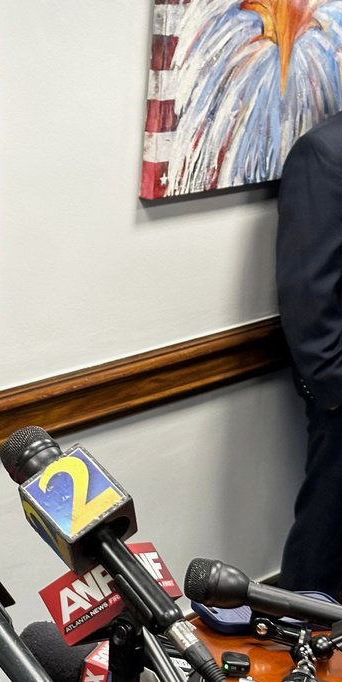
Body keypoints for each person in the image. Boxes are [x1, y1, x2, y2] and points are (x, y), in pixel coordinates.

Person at [276, 110, 342, 601]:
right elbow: (308, 292)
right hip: (340, 409)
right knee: (325, 554)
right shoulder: (323, 154)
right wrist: (335, 391)